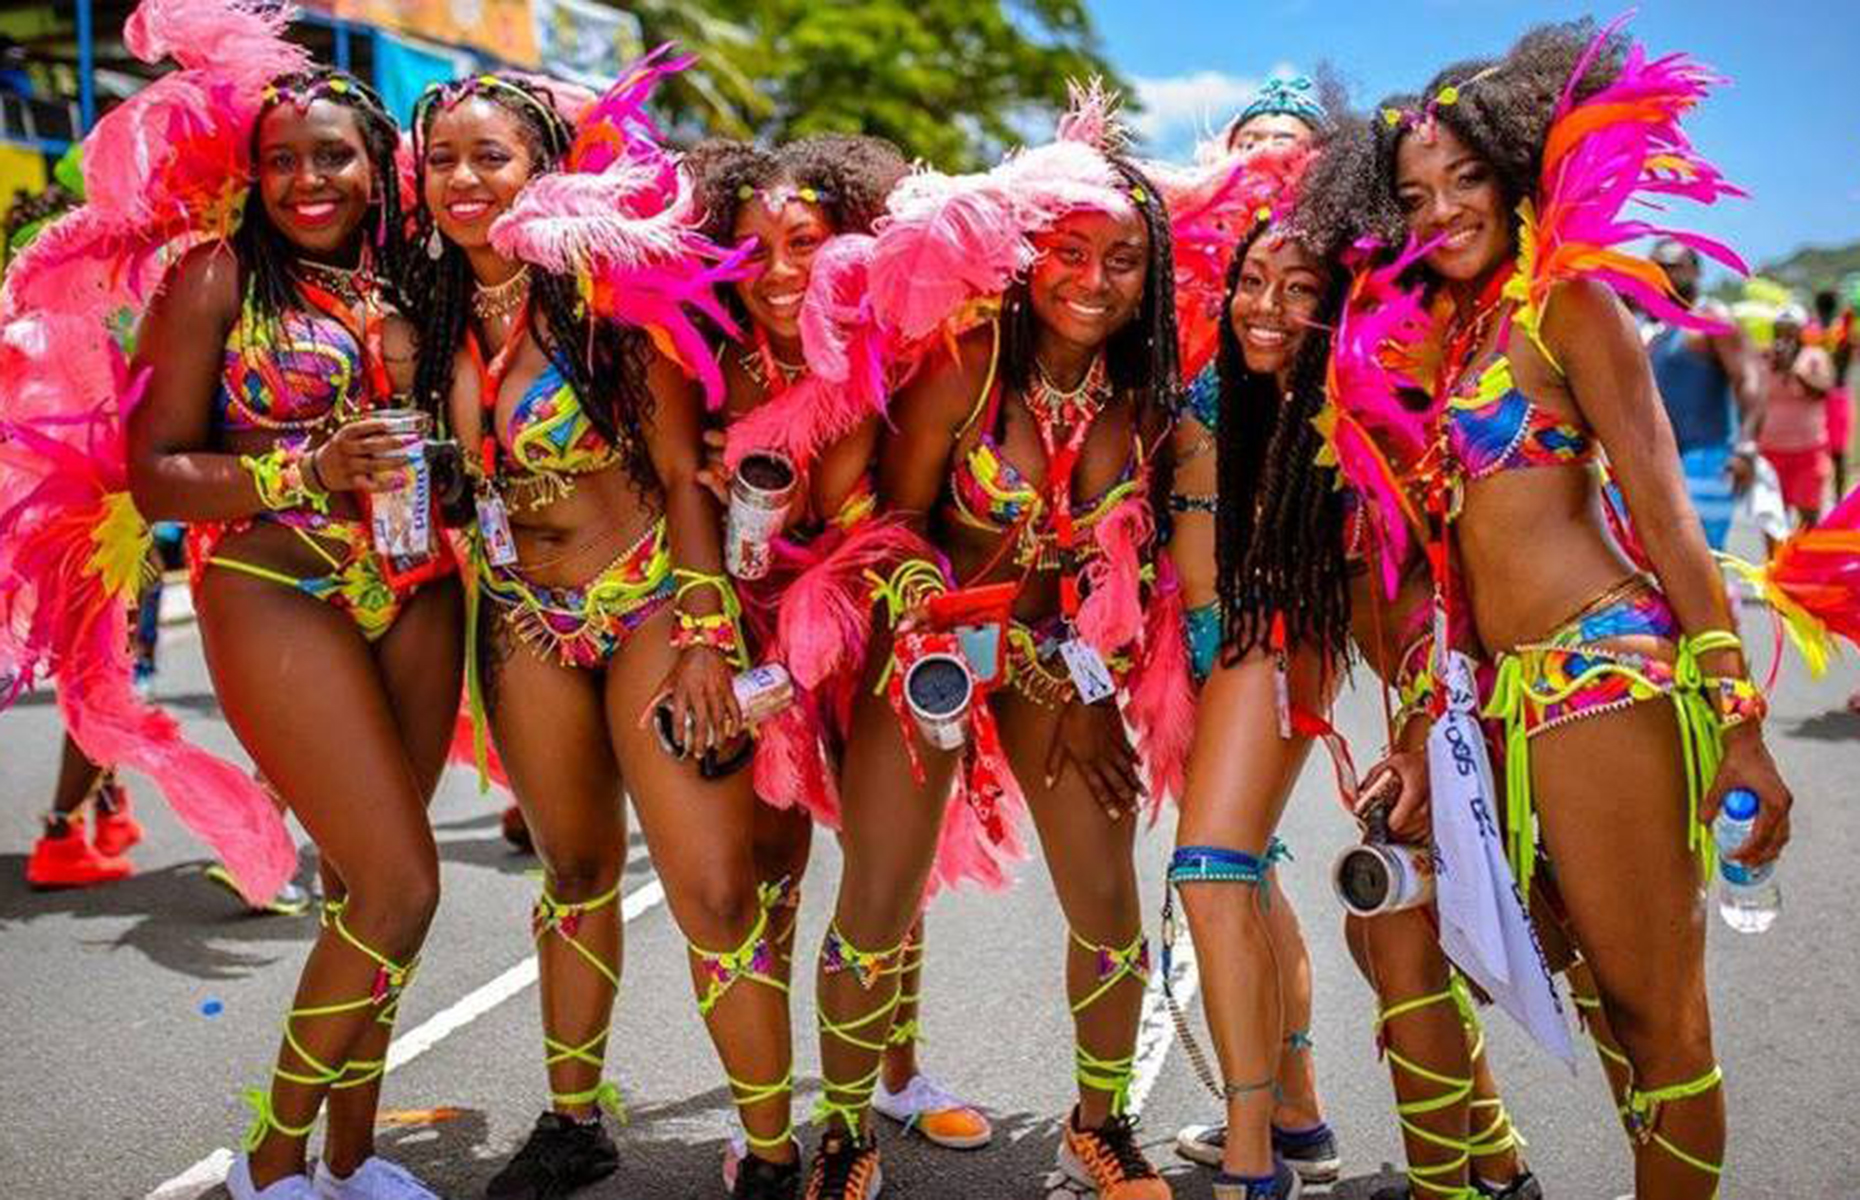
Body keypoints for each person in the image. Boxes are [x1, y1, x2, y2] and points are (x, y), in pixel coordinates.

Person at [1351, 19, 1792, 1197]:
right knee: (1399, 928)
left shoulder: (1568, 308)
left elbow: (1665, 511)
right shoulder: (1442, 339)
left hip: (1603, 679)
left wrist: (1738, 717)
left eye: (1467, 179)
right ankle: (1482, 1173)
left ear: (1516, 174)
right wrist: (1413, 726)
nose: (1441, 208)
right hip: (1486, 707)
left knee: (1657, 1026)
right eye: (1415, 192)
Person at [410, 64, 797, 1199]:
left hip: (646, 611)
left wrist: (703, 637)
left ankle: (773, 1154)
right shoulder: (428, 313)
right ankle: (573, 1122)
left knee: (715, 892)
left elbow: (684, 479)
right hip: (522, 621)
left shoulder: (611, 300)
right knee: (574, 871)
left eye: (494, 157)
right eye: (444, 160)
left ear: (544, 170)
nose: (467, 179)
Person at [799, 87, 1193, 1200]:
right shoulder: (966, 368)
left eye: (1123, 261)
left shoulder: (1145, 399)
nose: (1093, 280)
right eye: (1071, 251)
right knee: (876, 898)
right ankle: (840, 1134)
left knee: (1110, 907)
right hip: (925, 647)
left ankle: (1099, 1125)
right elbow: (890, 526)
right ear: (1029, 257)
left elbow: (1123, 568)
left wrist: (1075, 675)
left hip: (1051, 664)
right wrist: (972, 634)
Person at [685, 133, 994, 1177]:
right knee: (770, 868)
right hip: (745, 623)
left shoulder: (900, 347)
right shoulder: (704, 356)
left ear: (853, 243)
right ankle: (762, 1100)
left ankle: (892, 1081)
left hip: (868, 618)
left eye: (805, 243)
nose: (779, 271)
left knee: (883, 864)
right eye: (752, 248)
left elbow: (913, 510)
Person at [1165, 81, 1342, 1192]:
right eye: (1253, 144)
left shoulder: (1337, 358)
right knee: (1256, 877)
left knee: (1213, 868)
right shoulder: (1196, 307)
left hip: (1262, 637)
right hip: (1188, 644)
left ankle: (1249, 1158)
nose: (1267, 302)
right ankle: (1302, 1122)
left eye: (1294, 144)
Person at [1646, 239, 1763, 550]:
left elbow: (1748, 379)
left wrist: (1747, 446)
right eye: (1654, 268)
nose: (1661, 275)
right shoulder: (1657, 330)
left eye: (1671, 267)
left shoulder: (1710, 318)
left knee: (1702, 555)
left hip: (1708, 457)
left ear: (1696, 271)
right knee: (1671, 559)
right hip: (1666, 460)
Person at [1756, 304, 1836, 532]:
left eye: (1790, 329)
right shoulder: (1764, 358)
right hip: (1771, 451)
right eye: (1780, 329)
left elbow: (1823, 390)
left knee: (1809, 514)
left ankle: (1807, 565)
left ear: (1801, 331)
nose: (1784, 335)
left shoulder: (1814, 356)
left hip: (1808, 450)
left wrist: (1794, 370)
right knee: (1772, 516)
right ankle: (1775, 564)